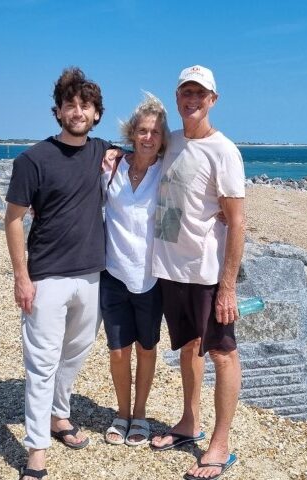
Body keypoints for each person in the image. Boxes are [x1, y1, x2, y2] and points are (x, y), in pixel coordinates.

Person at [4, 67, 120, 480]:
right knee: (41, 364)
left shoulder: (103, 151)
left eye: (85, 106)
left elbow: (148, 151)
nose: (77, 111)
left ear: (97, 114)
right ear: (57, 111)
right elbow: (13, 219)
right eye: (70, 105)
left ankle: (59, 416)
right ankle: (36, 451)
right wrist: (21, 277)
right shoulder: (32, 160)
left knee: (75, 354)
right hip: (46, 277)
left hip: (91, 275)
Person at [149, 65, 245, 480]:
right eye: (186, 92)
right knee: (188, 348)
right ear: (177, 97)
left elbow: (237, 222)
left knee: (223, 353)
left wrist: (228, 287)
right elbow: (140, 149)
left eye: (200, 94)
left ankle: (220, 444)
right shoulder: (170, 141)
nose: (192, 100)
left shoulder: (224, 151)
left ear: (213, 100)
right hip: (171, 269)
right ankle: (189, 423)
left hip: (207, 274)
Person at [100, 93, 168, 447]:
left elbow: (182, 215)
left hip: (151, 278)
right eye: (142, 130)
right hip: (113, 274)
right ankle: (122, 413)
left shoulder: (167, 171)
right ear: (132, 133)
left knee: (146, 348)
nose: (148, 137)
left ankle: (140, 414)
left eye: (155, 132)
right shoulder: (112, 168)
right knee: (118, 351)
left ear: (163, 137)